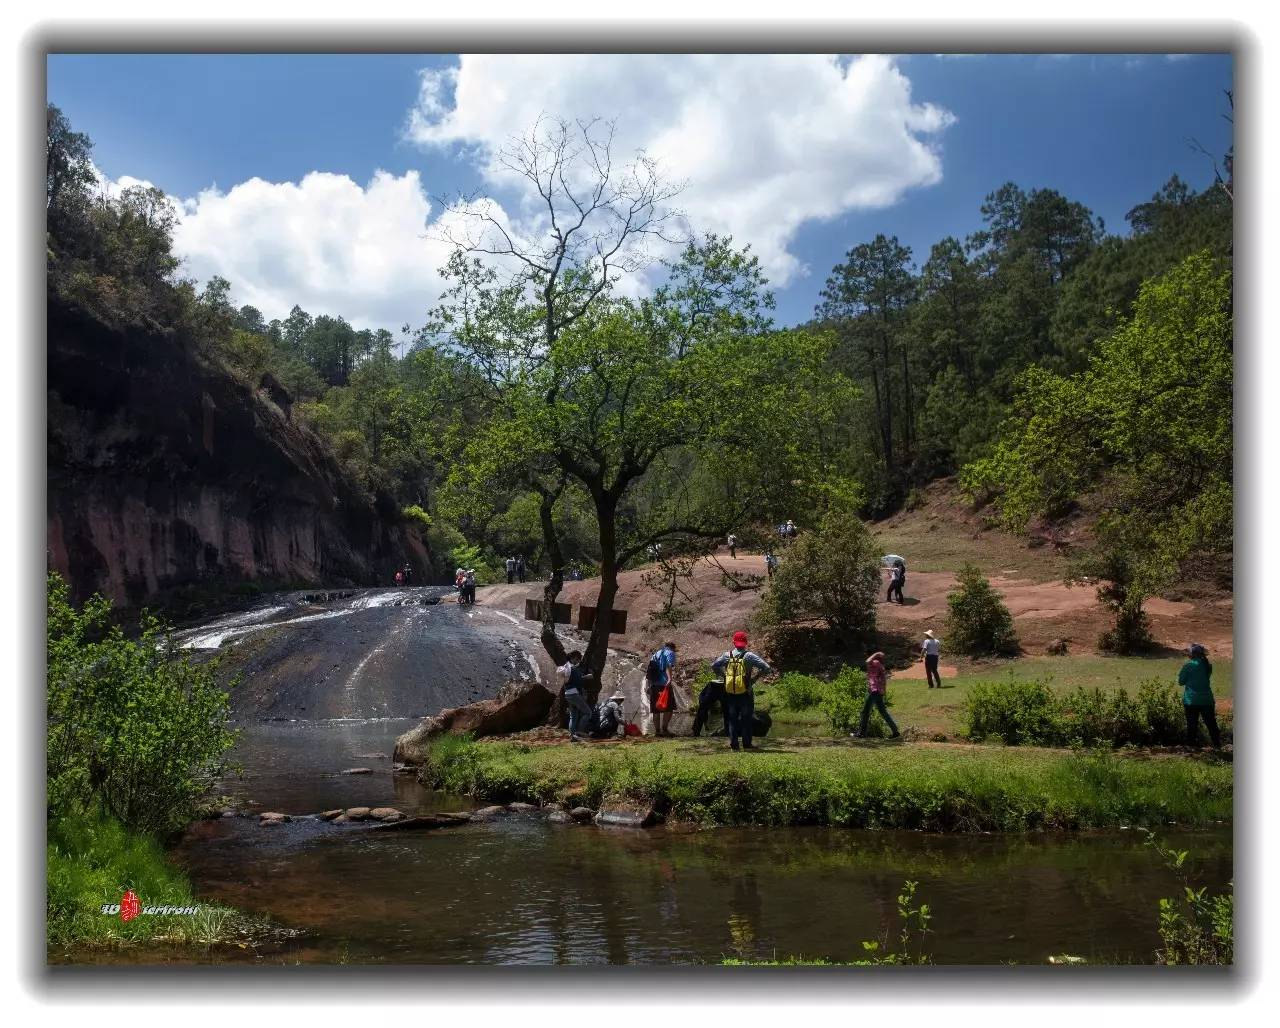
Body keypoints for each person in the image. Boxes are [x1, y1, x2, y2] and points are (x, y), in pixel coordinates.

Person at [711, 631, 773, 751]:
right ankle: (747, 744)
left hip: (730, 692)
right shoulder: (749, 656)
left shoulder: (726, 655)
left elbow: (714, 666)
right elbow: (767, 668)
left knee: (732, 719)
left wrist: (724, 677)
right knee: (746, 719)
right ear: (745, 643)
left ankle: (734, 745)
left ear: (734, 642)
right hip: (746, 692)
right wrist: (754, 679)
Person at [1179, 643, 1221, 748]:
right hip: (1207, 700)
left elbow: (1181, 681)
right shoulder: (1208, 665)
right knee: (1211, 724)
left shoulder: (1188, 665)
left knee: (1192, 726)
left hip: (1191, 700)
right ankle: (1217, 745)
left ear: (1192, 654)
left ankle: (1191, 747)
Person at [854, 651, 900, 739]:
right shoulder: (881, 666)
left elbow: (867, 661)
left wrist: (877, 653)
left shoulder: (876, 663)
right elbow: (884, 681)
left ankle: (862, 733)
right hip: (879, 691)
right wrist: (884, 692)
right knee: (883, 712)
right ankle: (895, 731)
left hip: (874, 691)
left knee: (865, 712)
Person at [558, 650, 595, 741]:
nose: (578, 662)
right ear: (574, 658)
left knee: (573, 715)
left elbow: (572, 680)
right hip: (574, 694)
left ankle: (572, 736)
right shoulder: (574, 669)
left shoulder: (566, 668)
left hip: (568, 694)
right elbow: (579, 682)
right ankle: (579, 731)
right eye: (578, 660)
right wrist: (588, 677)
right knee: (587, 712)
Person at [644, 641, 679, 736]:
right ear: (672, 648)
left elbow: (650, 670)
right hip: (664, 684)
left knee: (656, 710)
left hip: (653, 684)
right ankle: (665, 730)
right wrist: (669, 679)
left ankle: (657, 732)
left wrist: (649, 685)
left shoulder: (656, 654)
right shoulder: (670, 653)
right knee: (669, 708)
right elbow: (668, 665)